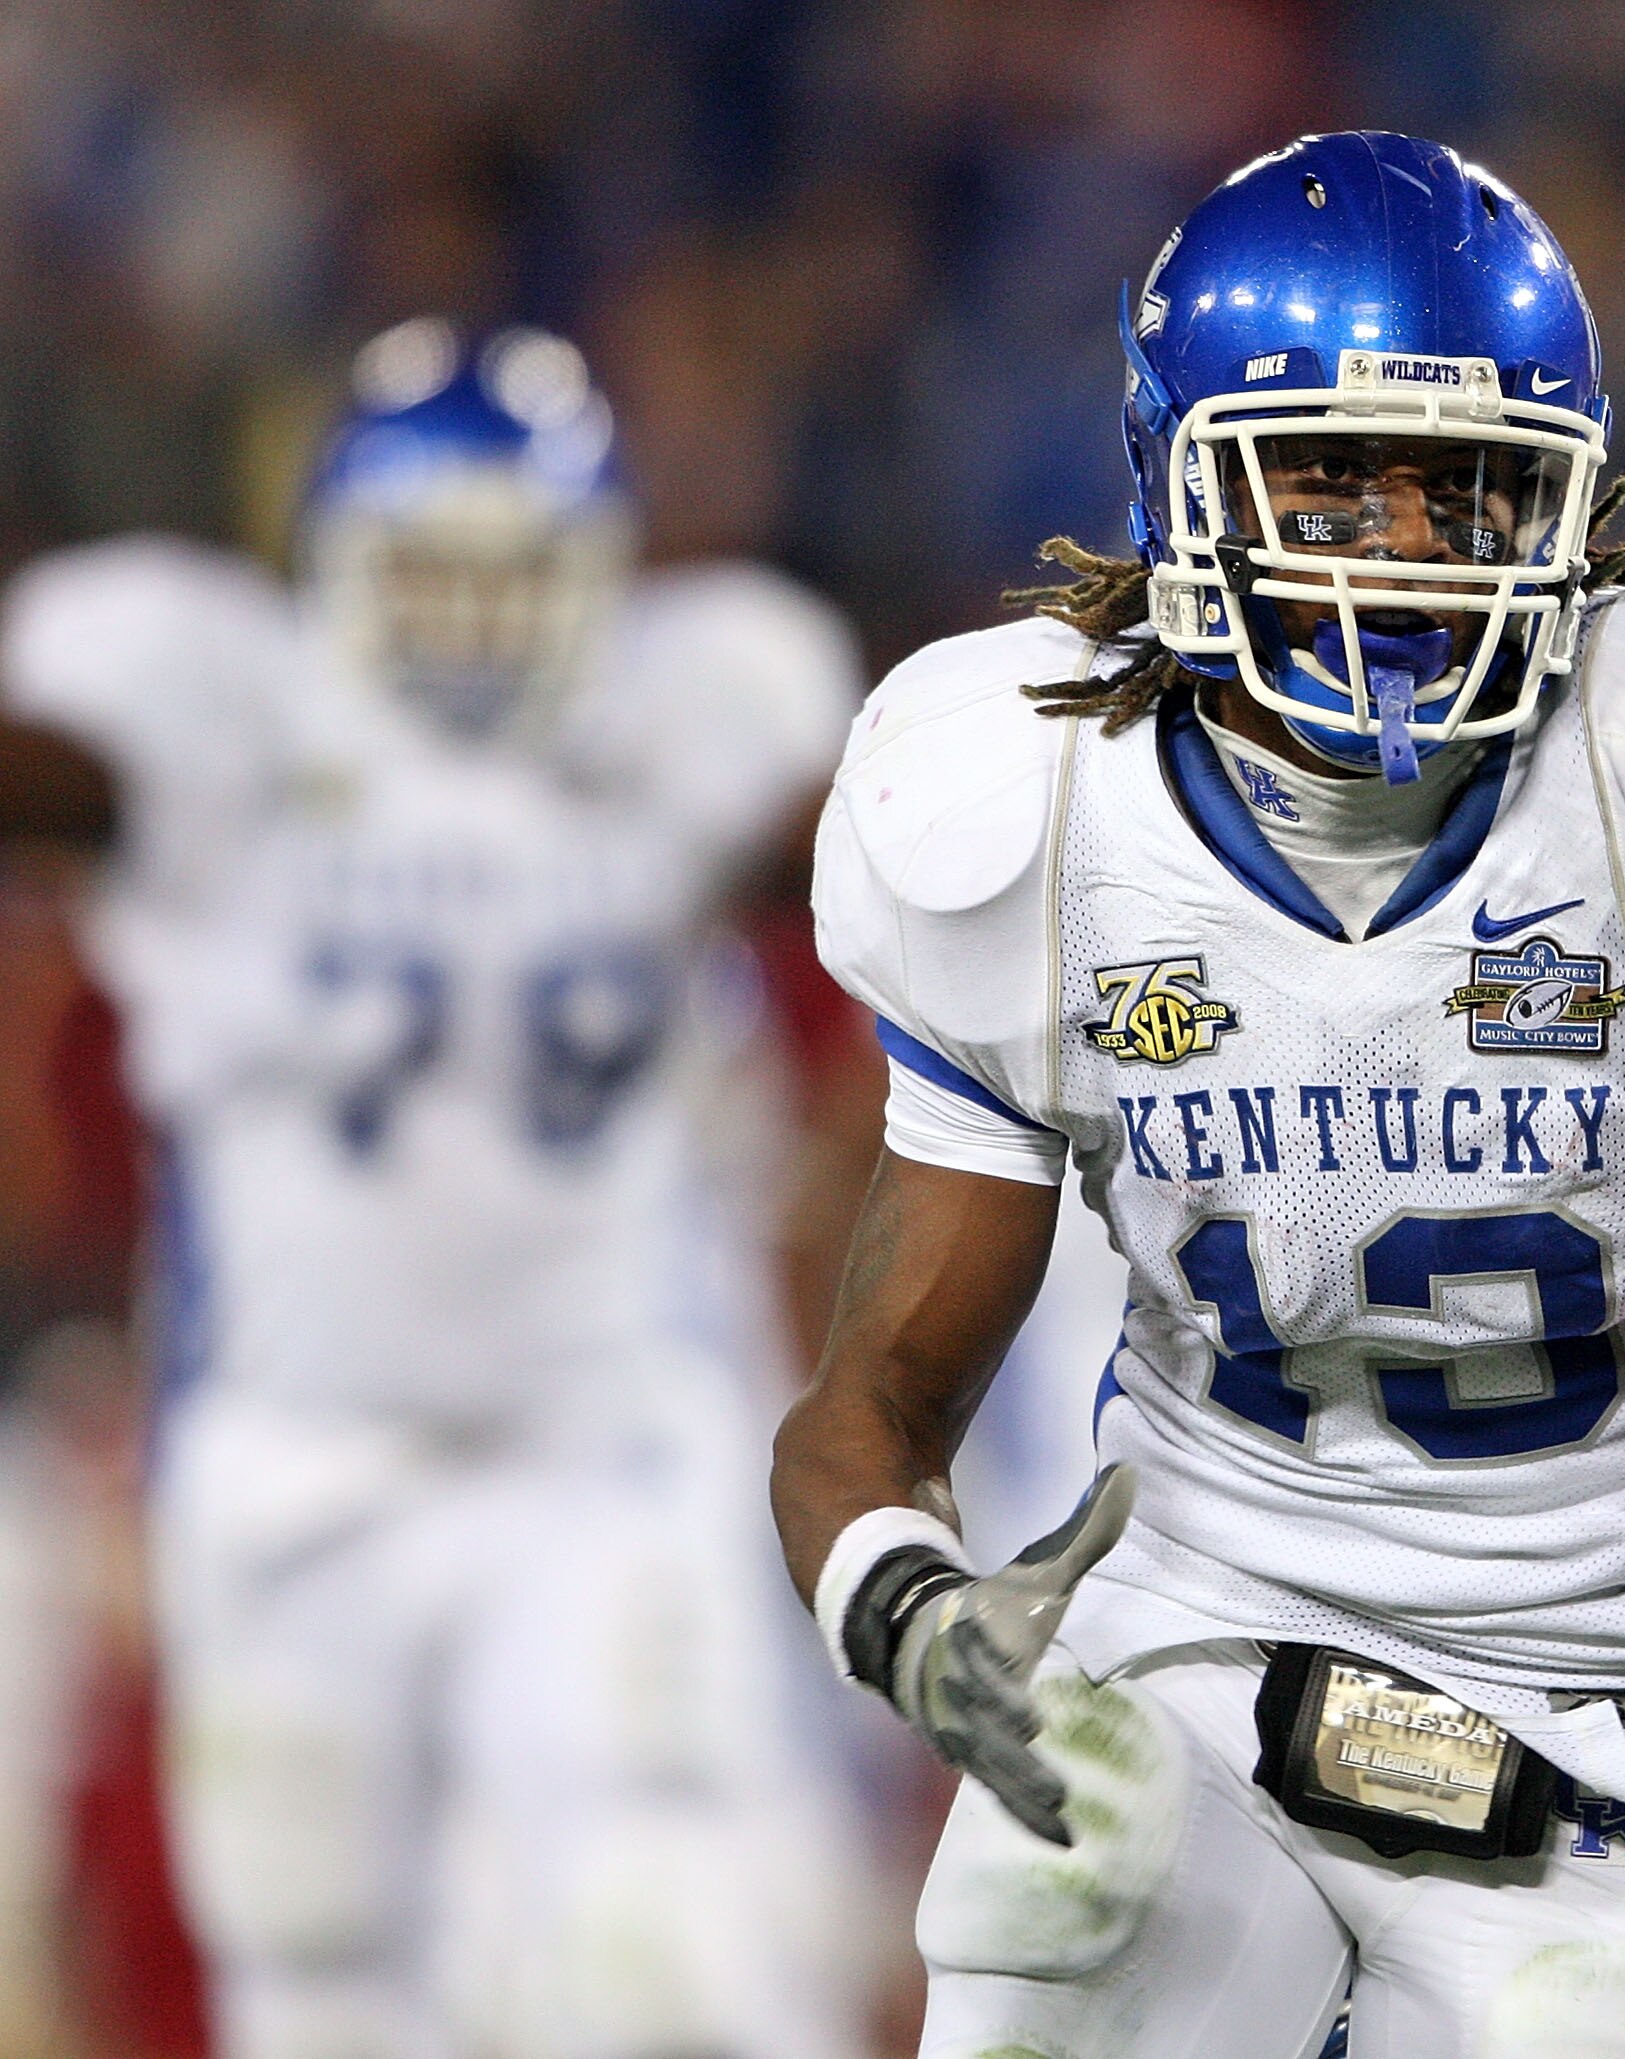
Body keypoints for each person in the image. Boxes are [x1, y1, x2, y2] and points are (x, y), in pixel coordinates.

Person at [774, 130, 1625, 2059]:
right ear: (1185, 484)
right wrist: (911, 1610)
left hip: (1605, 1694)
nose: (1403, 551)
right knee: (1048, 1885)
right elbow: (875, 1404)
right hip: (1200, 1622)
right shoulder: (1038, 822)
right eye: (1332, 479)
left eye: (1469, 491)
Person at [0, 319, 871, 2059]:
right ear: (323, 568)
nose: (473, 616)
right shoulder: (209, 719)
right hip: (291, 1451)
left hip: (596, 1451)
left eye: (518, 572)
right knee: (318, 1983)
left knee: (654, 1959)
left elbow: (889, 863)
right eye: (428, 571)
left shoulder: (697, 709)